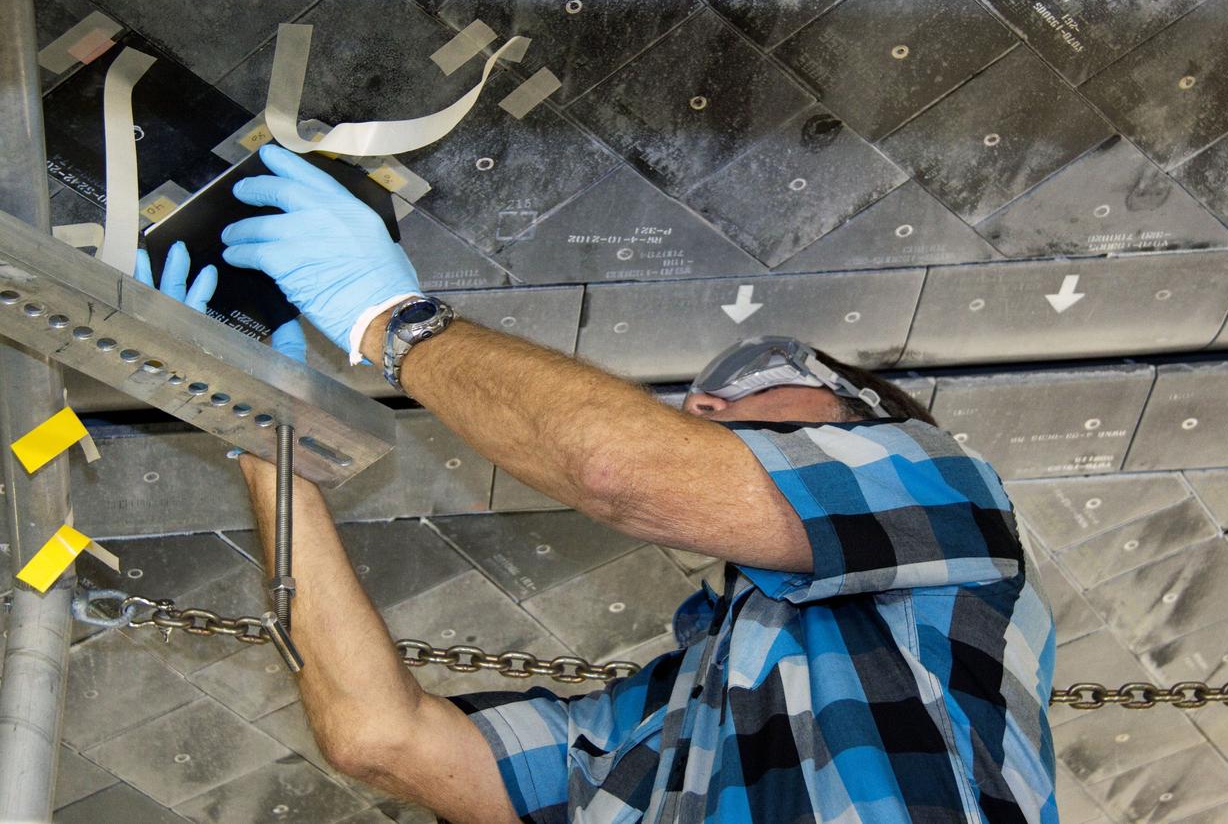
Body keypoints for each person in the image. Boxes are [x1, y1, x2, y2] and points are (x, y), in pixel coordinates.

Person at [139, 144, 1057, 824]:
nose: (705, 403)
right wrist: (268, 435)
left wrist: (389, 320)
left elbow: (621, 469)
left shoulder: (950, 499)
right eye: (697, 399)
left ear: (867, 418)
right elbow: (384, 737)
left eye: (759, 378)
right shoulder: (665, 719)